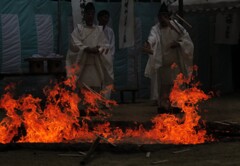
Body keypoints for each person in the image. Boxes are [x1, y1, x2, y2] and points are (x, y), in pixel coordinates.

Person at [143, 3, 194, 114]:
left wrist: (179, 44)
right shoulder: (156, 29)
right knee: (164, 86)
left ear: (168, 16)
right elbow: (152, 39)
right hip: (163, 63)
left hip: (175, 62)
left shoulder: (175, 26)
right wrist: (148, 44)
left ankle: (177, 105)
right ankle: (164, 106)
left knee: (177, 84)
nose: (162, 19)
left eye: (164, 16)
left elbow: (186, 38)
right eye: (160, 16)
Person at [66, 2, 112, 93]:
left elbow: (105, 46)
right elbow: (73, 44)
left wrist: (98, 49)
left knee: (95, 91)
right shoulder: (79, 29)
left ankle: (94, 107)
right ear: (84, 15)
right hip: (83, 66)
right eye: (88, 14)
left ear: (94, 14)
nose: (90, 16)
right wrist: (86, 49)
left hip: (96, 65)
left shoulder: (98, 30)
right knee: (83, 90)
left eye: (92, 14)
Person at [97, 10, 115, 100]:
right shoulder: (95, 30)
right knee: (98, 80)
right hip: (97, 58)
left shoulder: (110, 31)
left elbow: (112, 46)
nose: (106, 19)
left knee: (108, 80)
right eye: (104, 17)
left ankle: (106, 100)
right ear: (99, 18)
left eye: (107, 17)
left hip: (107, 59)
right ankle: (97, 100)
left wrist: (109, 58)